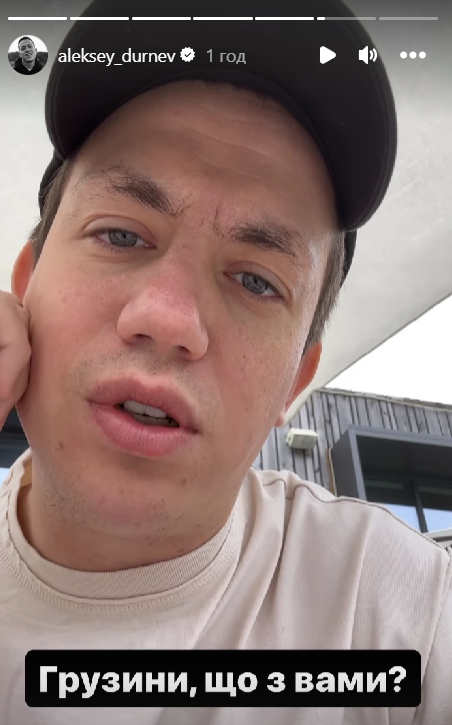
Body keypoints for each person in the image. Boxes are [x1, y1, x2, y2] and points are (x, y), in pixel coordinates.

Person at [0, 1, 451, 724]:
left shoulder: (401, 613)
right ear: (23, 290)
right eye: (121, 235)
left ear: (294, 382)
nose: (169, 318)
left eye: (255, 281)